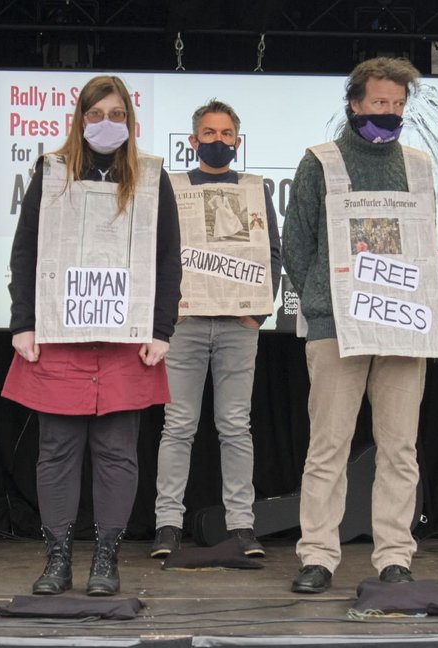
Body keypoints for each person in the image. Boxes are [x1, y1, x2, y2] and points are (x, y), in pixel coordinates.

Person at [2, 75, 181, 597]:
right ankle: (57, 559)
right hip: (59, 336)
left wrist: (161, 328)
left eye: (117, 115)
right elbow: (25, 252)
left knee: (118, 452)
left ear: (131, 121)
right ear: (79, 120)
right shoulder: (52, 171)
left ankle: (107, 559)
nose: (108, 124)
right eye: (97, 114)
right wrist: (23, 322)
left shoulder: (150, 177)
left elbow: (168, 258)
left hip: (126, 342)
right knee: (56, 450)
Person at [283, 57, 438, 593]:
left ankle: (395, 555)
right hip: (337, 325)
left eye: (398, 105)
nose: (390, 113)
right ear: (354, 104)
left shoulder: (419, 165)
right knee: (328, 444)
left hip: (402, 324)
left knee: (400, 446)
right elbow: (297, 244)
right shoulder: (319, 163)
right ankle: (318, 556)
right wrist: (323, 300)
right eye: (380, 103)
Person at [151, 100, 281, 559]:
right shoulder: (171, 186)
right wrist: (168, 310)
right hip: (184, 326)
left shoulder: (253, 188)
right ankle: (167, 524)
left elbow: (272, 252)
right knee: (178, 426)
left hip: (237, 327)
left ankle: (241, 525)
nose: (218, 141)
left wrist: (258, 314)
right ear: (193, 140)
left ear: (237, 141)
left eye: (226, 134)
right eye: (209, 133)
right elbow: (157, 251)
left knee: (235, 427)